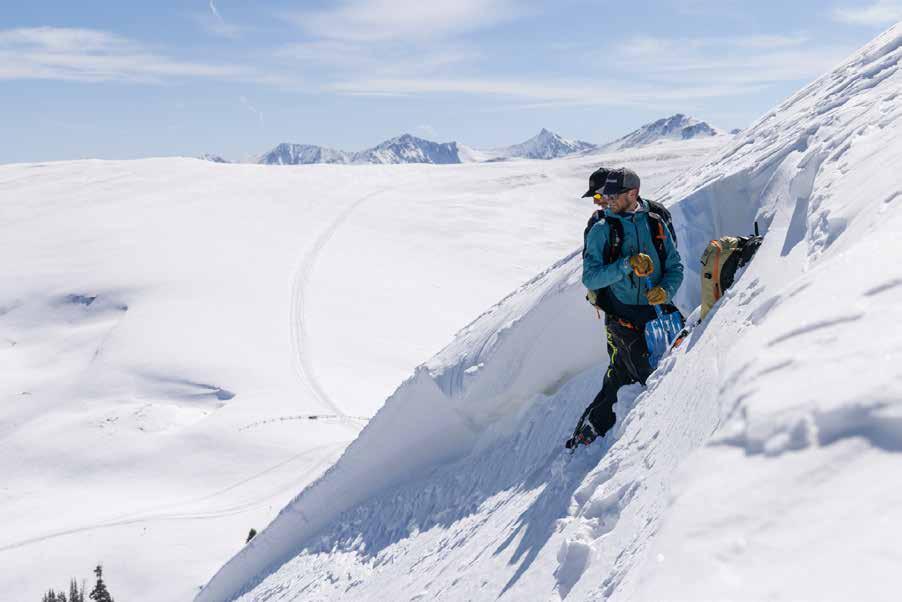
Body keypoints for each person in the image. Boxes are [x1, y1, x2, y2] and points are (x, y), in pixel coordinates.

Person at [566, 167, 684, 449]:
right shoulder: (602, 229)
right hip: (622, 317)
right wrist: (626, 265)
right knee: (651, 375)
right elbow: (590, 277)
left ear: (632, 194)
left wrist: (665, 291)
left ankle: (596, 425)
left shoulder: (656, 222)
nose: (605, 200)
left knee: (629, 370)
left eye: (611, 195)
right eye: (603, 195)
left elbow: (675, 267)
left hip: (660, 313)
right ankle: (654, 441)